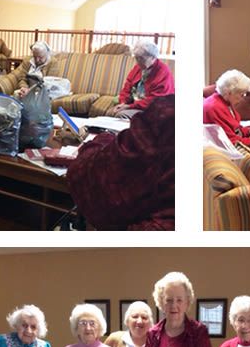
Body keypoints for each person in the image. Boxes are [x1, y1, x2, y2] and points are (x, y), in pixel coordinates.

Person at [67, 94, 174, 230]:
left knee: (120, 116)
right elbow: (126, 89)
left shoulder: (166, 112)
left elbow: (86, 176)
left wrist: (129, 106)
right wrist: (123, 101)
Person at [111, 40, 175, 119]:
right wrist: (123, 103)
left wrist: (129, 106)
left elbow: (156, 100)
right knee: (111, 112)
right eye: (136, 58)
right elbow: (127, 87)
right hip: (136, 104)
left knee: (121, 115)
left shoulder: (162, 71)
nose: (138, 62)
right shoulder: (138, 68)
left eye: (141, 58)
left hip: (152, 108)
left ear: (153, 57)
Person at [203, 69, 250, 147]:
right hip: (229, 151)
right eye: (242, 95)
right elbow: (231, 143)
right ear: (229, 93)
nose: (242, 99)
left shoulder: (224, 101)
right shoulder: (214, 108)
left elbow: (234, 130)